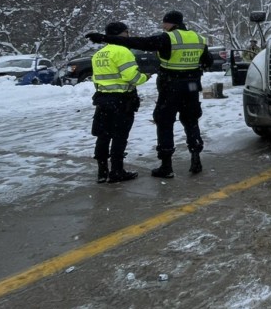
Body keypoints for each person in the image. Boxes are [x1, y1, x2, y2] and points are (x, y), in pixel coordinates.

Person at [88, 10, 213, 178]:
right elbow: (208, 61)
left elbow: (140, 43)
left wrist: (104, 38)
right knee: (191, 121)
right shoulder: (198, 38)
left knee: (165, 123)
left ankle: (166, 166)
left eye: (164, 23)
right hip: (191, 87)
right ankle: (196, 156)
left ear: (170, 23)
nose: (163, 26)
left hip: (171, 87)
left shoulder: (168, 37)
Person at [90, 21, 150, 184]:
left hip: (103, 99)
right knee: (119, 136)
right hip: (121, 101)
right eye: (126, 32)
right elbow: (133, 77)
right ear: (120, 34)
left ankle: (102, 171)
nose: (128, 35)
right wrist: (145, 76)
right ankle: (117, 171)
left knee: (103, 135)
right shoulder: (123, 51)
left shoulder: (100, 53)